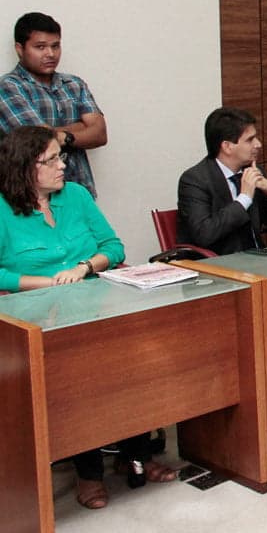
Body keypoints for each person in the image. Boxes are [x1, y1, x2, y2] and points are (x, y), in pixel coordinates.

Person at [0, 126, 174, 509]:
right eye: (53, 160)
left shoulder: (76, 196)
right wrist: (38, 282)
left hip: (96, 304)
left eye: (61, 157)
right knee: (78, 381)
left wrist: (83, 266)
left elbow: (113, 247)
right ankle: (89, 472)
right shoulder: (2, 209)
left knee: (138, 363)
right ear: (25, 167)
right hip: (35, 317)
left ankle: (140, 454)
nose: (64, 165)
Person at [0, 12, 107, 197]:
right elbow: (39, 140)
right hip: (33, 199)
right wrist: (81, 127)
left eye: (55, 46)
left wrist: (62, 135)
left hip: (81, 194)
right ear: (20, 48)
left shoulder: (74, 84)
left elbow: (100, 134)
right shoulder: (9, 86)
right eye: (40, 47)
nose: (50, 54)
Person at [176, 107, 267, 253]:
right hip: (218, 265)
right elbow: (204, 235)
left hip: (258, 260)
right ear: (227, 147)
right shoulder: (195, 180)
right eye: (250, 140)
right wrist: (243, 199)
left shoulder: (253, 172)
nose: (258, 144)